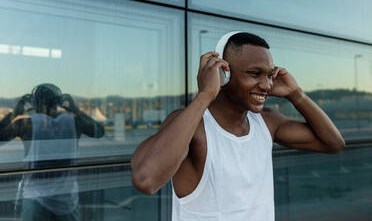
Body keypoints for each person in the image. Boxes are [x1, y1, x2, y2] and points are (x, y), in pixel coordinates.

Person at [131, 32, 345, 220]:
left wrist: (296, 94)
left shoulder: (268, 122)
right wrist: (205, 95)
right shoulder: (193, 125)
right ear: (224, 74)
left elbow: (333, 143)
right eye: (255, 74)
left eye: (269, 74)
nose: (267, 85)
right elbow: (146, 180)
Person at [0, 83, 104, 221]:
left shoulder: (26, 125)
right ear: (58, 103)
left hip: (35, 200)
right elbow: (99, 131)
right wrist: (75, 109)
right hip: (67, 202)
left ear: (34, 102)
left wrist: (15, 112)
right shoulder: (73, 123)